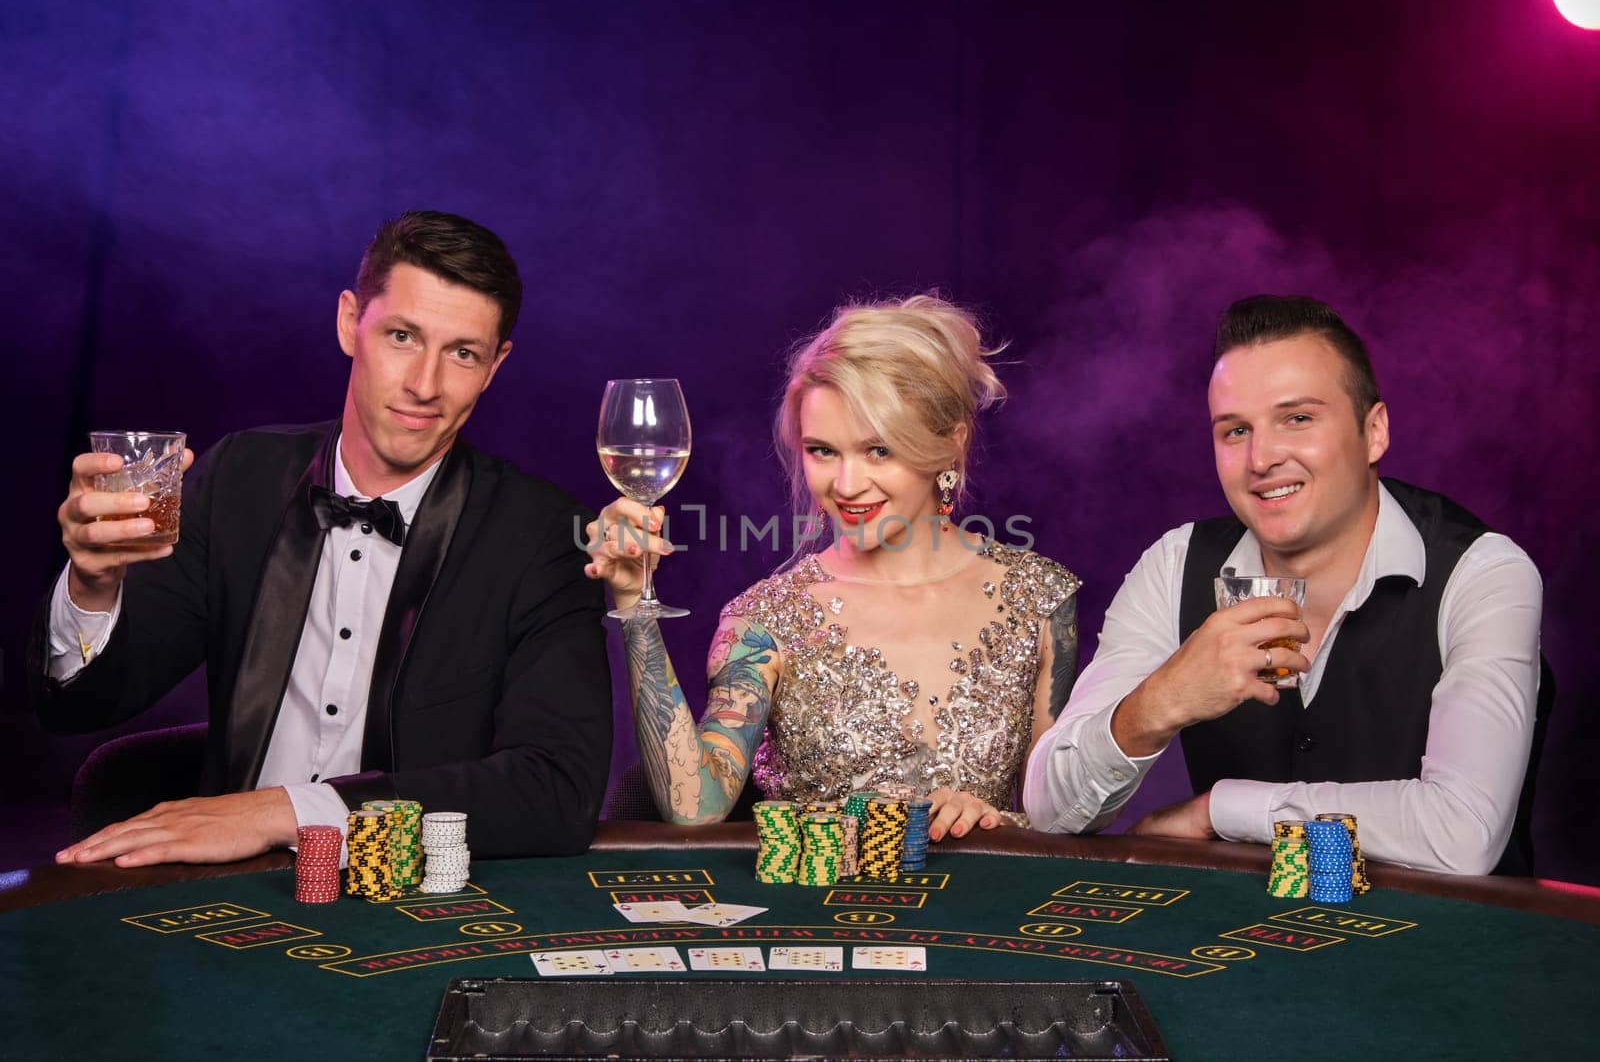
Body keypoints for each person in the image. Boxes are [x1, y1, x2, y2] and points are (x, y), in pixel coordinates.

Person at [32, 210, 612, 866]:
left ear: (495, 365)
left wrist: (285, 811)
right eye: (402, 336)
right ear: (348, 323)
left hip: (421, 907)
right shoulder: (237, 477)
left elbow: (557, 793)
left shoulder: (543, 535)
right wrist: (92, 584)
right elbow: (84, 703)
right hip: (228, 899)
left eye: (463, 353)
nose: (426, 385)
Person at [1024, 294, 1546, 875]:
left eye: (1297, 418)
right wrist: (1156, 704)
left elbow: (1462, 833)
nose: (1261, 458)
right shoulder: (1176, 566)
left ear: (1373, 432)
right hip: (1240, 950)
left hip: (1451, 952)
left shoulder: (1483, 573)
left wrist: (1221, 810)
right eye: (1235, 430)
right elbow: (1050, 812)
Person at [584, 295, 1082, 839]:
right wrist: (635, 604)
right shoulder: (768, 618)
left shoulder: (1037, 597)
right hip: (817, 916)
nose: (845, 486)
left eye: (878, 451)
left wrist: (995, 820)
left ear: (948, 444)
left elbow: (1062, 817)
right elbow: (693, 806)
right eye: (822, 450)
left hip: (980, 914)